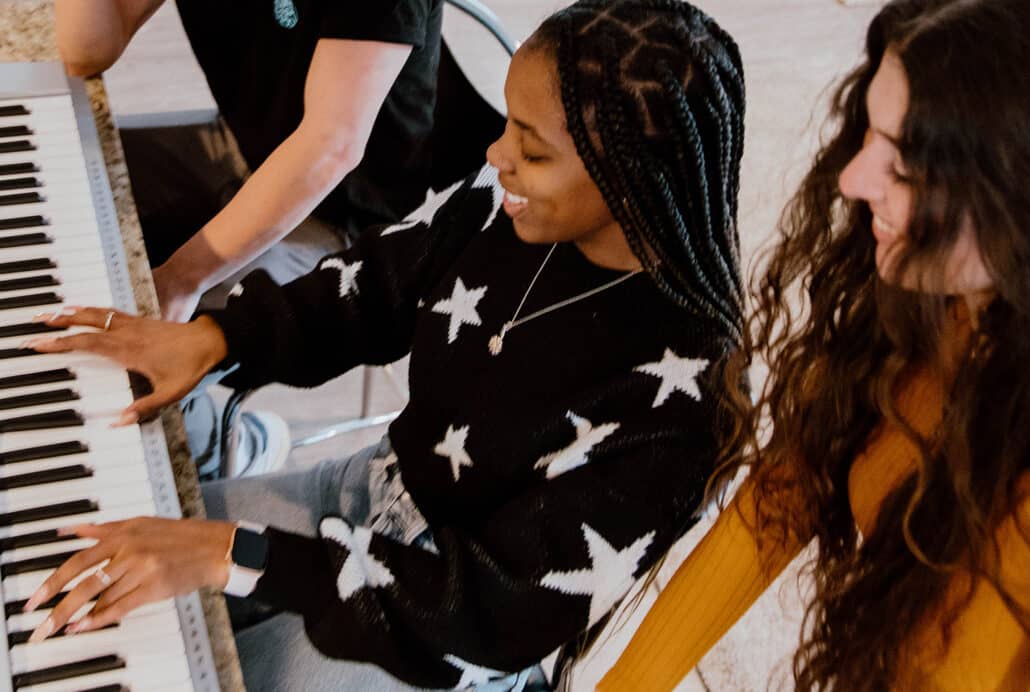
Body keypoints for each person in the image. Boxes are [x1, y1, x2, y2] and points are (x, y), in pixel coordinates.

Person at [24, 1, 749, 689]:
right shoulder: (505, 202)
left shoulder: (684, 404)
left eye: (530, 150)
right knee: (92, 576)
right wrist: (216, 338)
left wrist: (234, 554)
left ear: (633, 179)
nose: (496, 154)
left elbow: (489, 614)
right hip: (368, 488)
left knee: (174, 658)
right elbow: (376, 283)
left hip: (440, 625)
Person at [599, 1, 1030, 690]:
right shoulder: (930, 301)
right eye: (871, 134)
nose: (853, 180)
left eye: (906, 166)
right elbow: (780, 498)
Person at [55, 0, 443, 320]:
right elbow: (88, 51)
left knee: (135, 352)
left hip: (336, 222)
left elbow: (331, 147)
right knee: (59, 187)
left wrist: (179, 280)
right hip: (238, 150)